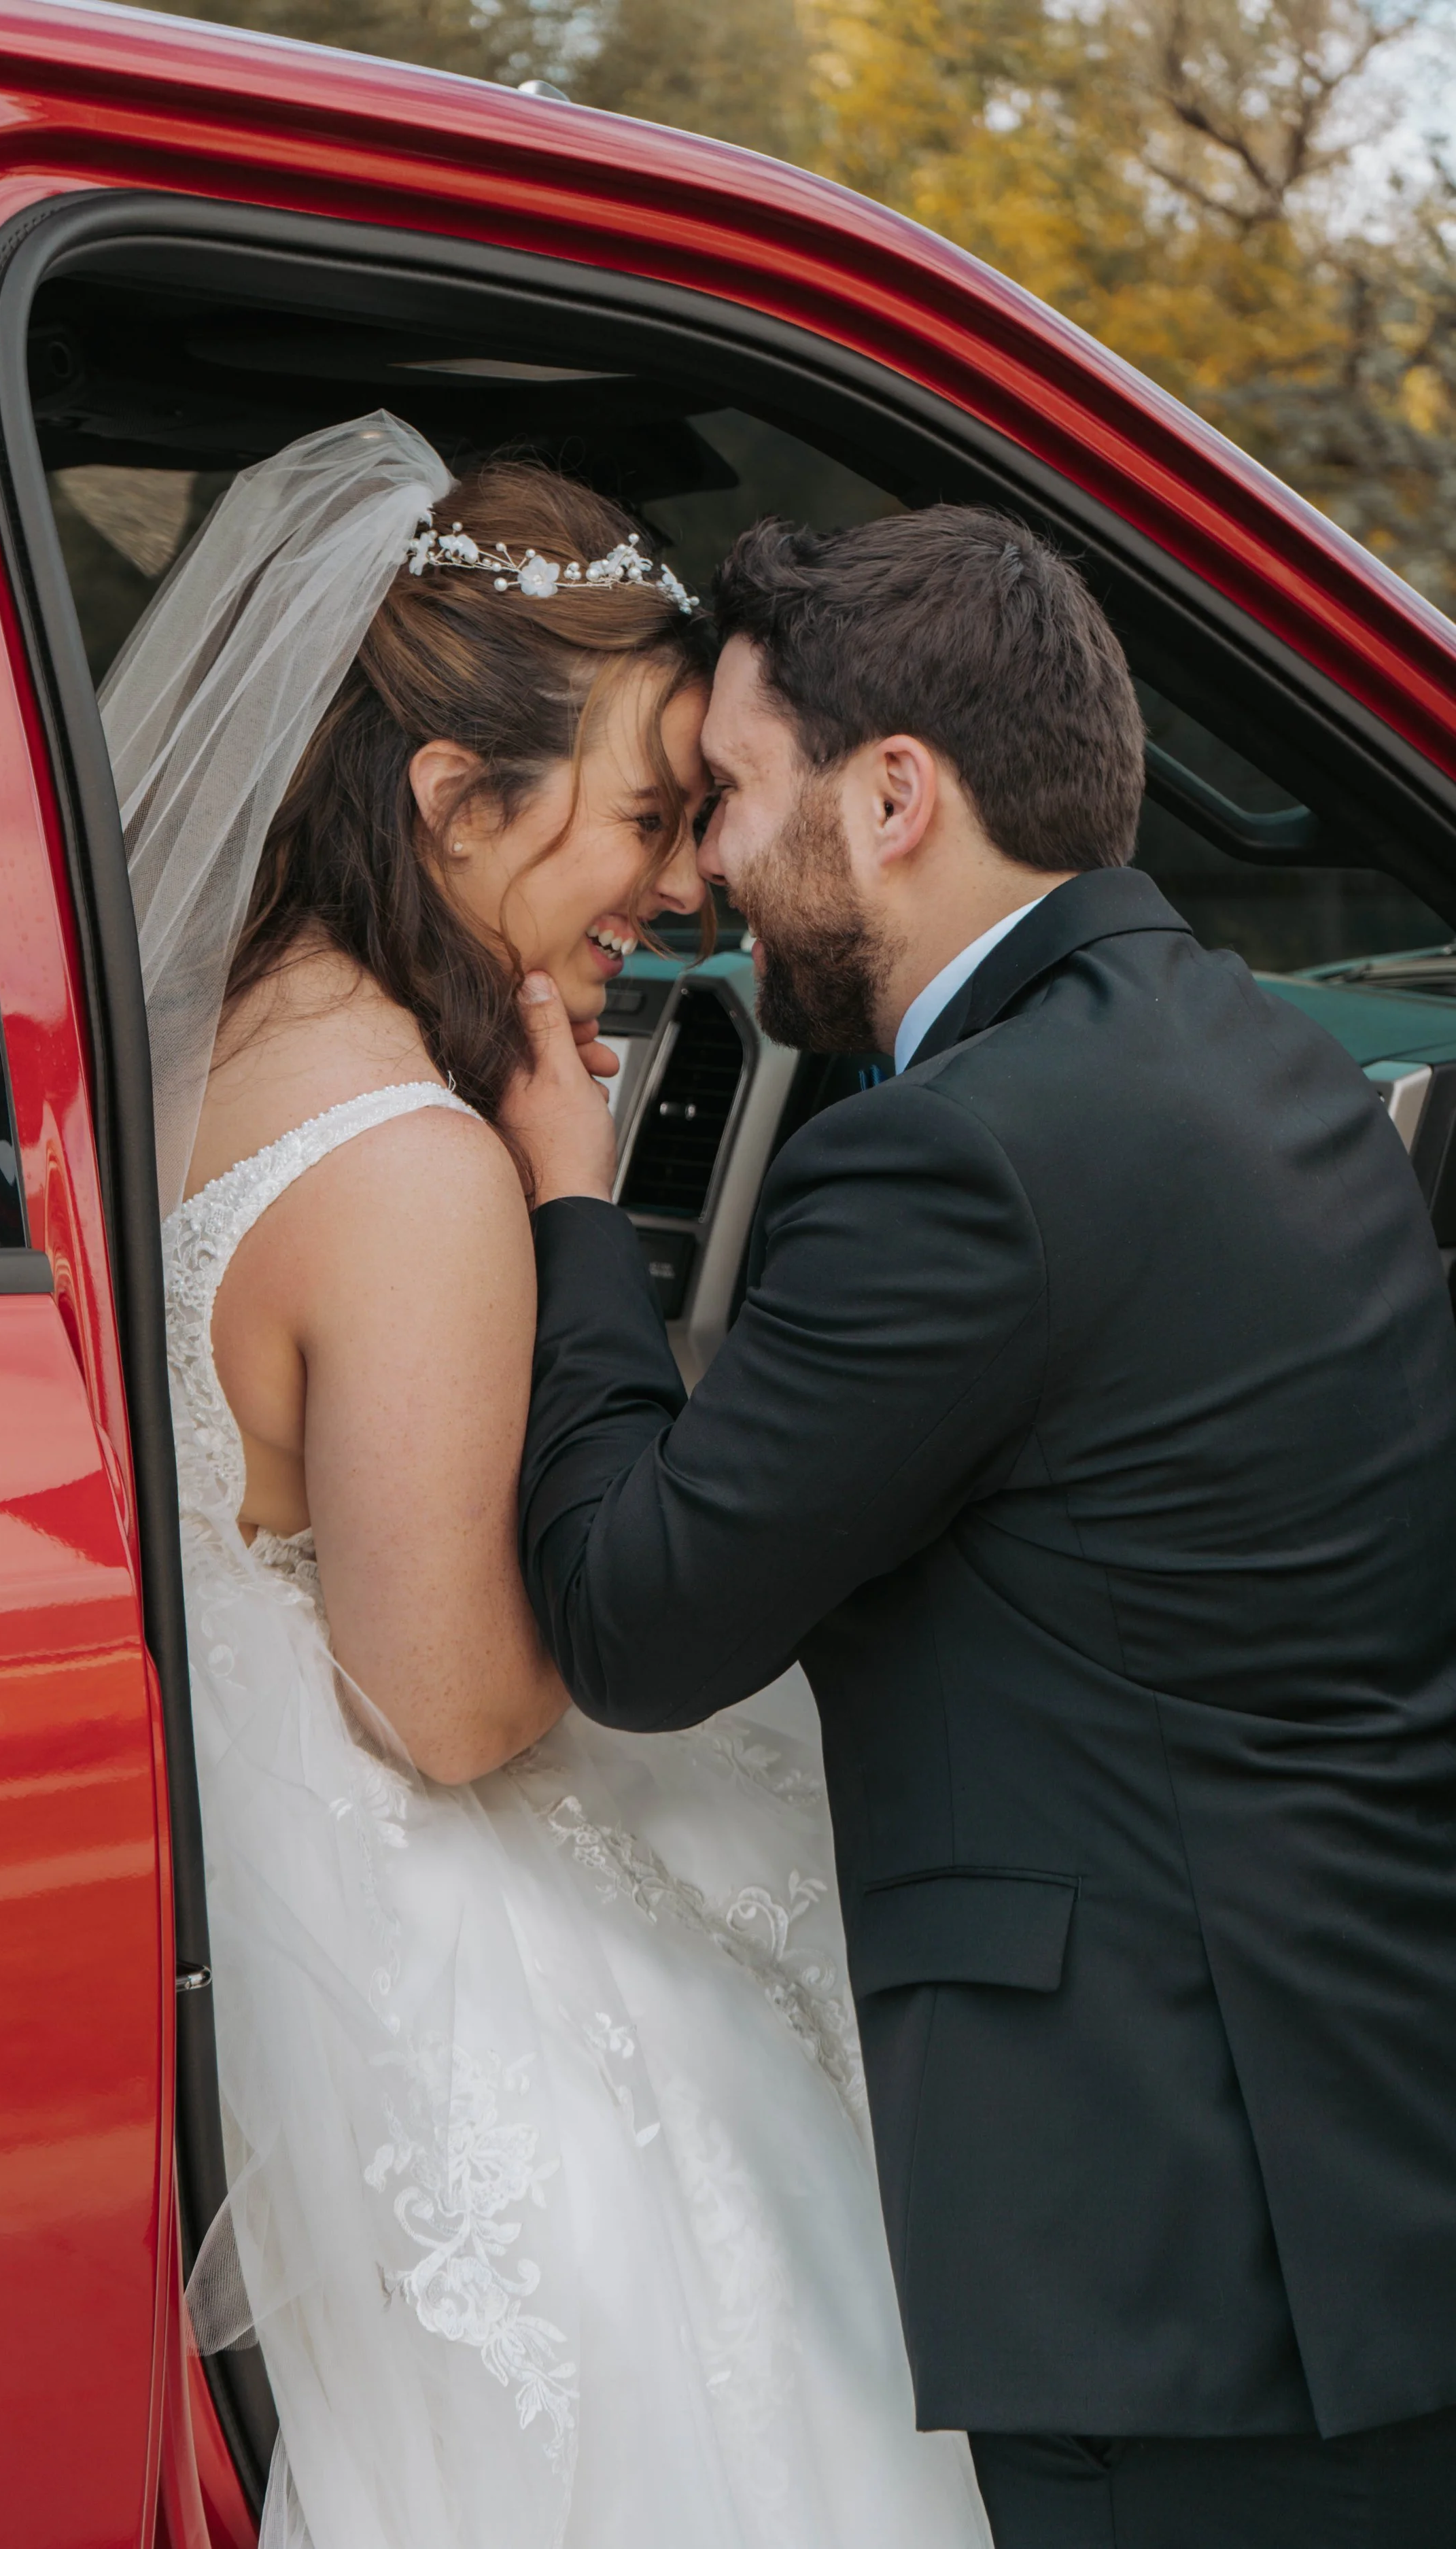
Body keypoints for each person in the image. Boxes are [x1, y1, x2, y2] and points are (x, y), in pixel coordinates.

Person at [506, 504, 1456, 2549]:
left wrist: (571, 1202)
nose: (703, 877)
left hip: (1176, 2276)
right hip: (1363, 2170)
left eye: (739, 796)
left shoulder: (961, 1159)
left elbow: (633, 1618)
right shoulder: (1272, 1065)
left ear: (894, 795)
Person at [103, 415, 990, 2549]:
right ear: (449, 800)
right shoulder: (410, 1169)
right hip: (377, 1892)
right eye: (644, 816)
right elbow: (456, 1704)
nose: (686, 881)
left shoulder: (198, 1036)